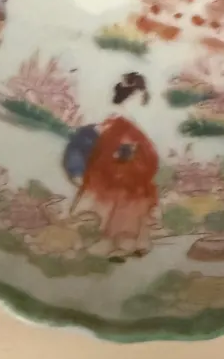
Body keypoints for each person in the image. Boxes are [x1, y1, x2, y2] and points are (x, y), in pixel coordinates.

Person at [67, 73, 160, 261]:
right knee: (114, 207)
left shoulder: (127, 125)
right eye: (138, 97)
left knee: (126, 206)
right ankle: (118, 242)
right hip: (115, 172)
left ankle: (129, 242)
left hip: (129, 174)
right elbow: (104, 145)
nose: (139, 102)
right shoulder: (116, 122)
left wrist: (128, 158)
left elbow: (143, 153)